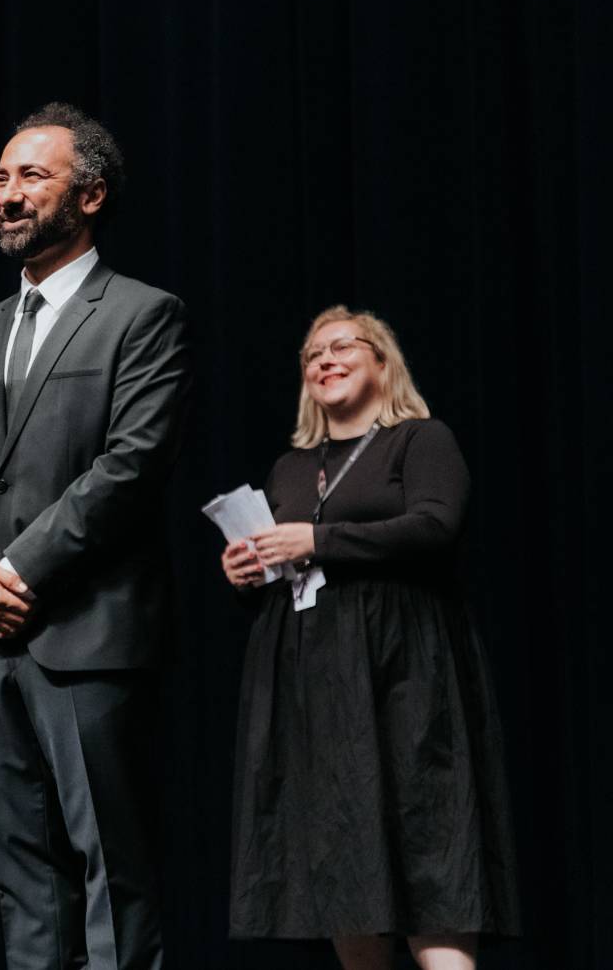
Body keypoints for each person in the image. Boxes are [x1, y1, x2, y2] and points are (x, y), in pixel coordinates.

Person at [0, 102, 191, 970]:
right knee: (21, 878)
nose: (7, 194)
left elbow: (129, 466)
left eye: (31, 175)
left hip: (86, 630)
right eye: (0, 178)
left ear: (91, 195)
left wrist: (19, 570)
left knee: (113, 871)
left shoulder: (142, 314)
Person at [219, 306, 520, 970]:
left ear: (383, 364)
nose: (324, 359)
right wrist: (249, 574)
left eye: (342, 347)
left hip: (405, 671)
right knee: (345, 863)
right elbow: (285, 572)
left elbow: (436, 527)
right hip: (316, 684)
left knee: (429, 848)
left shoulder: (420, 440)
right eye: (312, 354)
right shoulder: (290, 468)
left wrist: (318, 539)